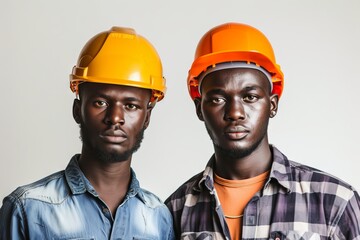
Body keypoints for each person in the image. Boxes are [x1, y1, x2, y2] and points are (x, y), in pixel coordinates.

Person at [165, 22, 360, 240]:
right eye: (218, 99)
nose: (235, 112)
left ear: (273, 105)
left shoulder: (334, 202)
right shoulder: (176, 210)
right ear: (200, 109)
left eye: (250, 97)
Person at [0, 26, 174, 239]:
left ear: (146, 118)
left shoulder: (159, 219)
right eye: (100, 102)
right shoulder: (27, 209)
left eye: (131, 106)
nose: (115, 117)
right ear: (77, 111)